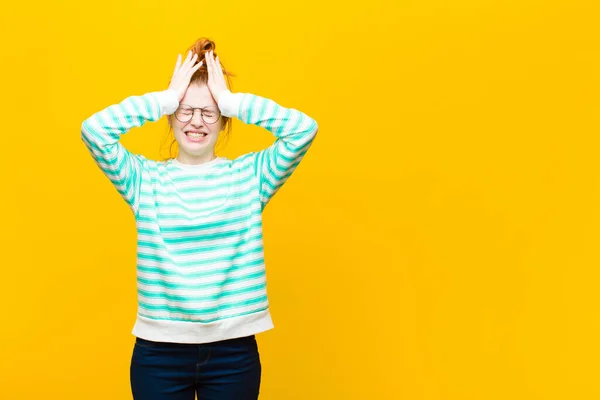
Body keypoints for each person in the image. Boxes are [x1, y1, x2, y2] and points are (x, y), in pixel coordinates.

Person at [80, 37, 318, 400]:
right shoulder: (144, 181)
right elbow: (94, 131)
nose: (196, 122)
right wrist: (164, 98)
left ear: (223, 121)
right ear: (172, 115)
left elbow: (303, 129)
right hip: (158, 353)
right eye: (185, 110)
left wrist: (233, 101)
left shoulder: (251, 177)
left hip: (233, 352)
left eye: (209, 112)